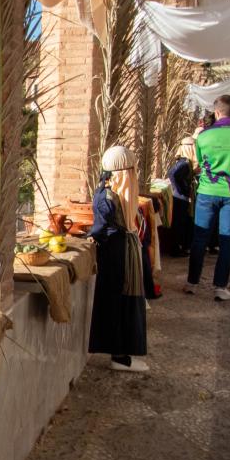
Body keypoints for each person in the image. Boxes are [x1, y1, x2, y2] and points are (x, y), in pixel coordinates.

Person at [188, 94, 230, 300]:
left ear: (216, 112)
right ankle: (220, 286)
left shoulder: (203, 136)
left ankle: (192, 282)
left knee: (200, 237)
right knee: (227, 239)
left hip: (207, 192)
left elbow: (200, 162)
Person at [88, 146, 149, 371]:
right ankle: (119, 355)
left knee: (124, 303)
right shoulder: (106, 197)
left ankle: (123, 353)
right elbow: (102, 230)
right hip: (115, 257)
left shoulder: (114, 195)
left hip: (122, 253)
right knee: (117, 304)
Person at [166, 136, 197, 256]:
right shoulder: (184, 163)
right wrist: (182, 190)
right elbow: (172, 174)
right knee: (179, 223)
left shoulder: (185, 162)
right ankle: (176, 249)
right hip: (180, 198)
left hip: (180, 197)